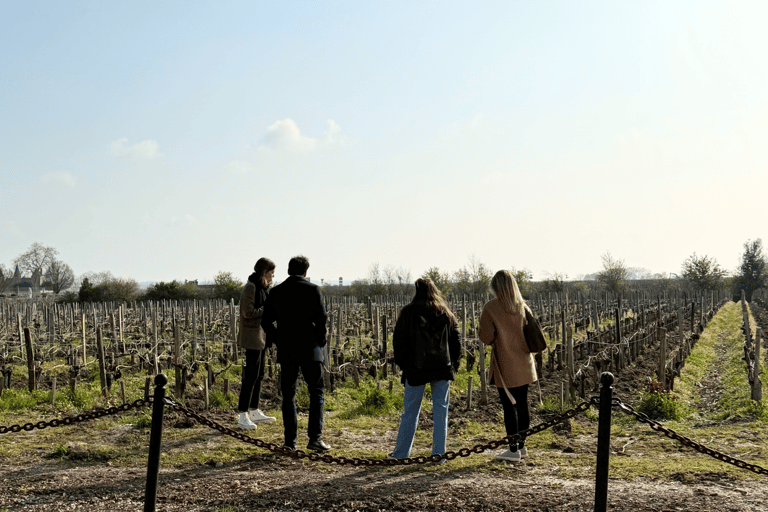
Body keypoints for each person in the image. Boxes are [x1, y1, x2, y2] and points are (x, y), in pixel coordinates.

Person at [262, 255, 330, 452]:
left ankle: (290, 441)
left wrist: (277, 338)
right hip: (310, 349)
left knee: (288, 394)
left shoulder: (276, 292)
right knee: (316, 392)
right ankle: (315, 438)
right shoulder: (313, 290)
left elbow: (266, 322)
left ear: (288, 270)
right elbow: (322, 319)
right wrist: (320, 340)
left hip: (287, 349)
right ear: (306, 271)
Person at [390, 278, 461, 462]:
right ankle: (439, 455)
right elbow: (456, 342)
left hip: (416, 369)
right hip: (442, 368)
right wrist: (454, 365)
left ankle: (401, 454)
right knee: (441, 412)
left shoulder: (408, 312)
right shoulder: (446, 313)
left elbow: (399, 341)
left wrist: (403, 365)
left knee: (410, 413)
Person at [479, 269, 540, 462]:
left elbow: (486, 337)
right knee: (522, 403)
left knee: (508, 406)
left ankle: (512, 449)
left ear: (495, 287)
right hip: (525, 362)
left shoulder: (491, 308)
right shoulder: (522, 306)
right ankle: (521, 446)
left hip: (505, 364)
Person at [235, 257, 278, 430]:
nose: (272, 277)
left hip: (261, 336)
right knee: (250, 376)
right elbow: (248, 312)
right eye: (271, 273)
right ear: (263, 272)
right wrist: (266, 310)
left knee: (259, 375)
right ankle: (242, 414)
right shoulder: (251, 287)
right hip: (252, 336)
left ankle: (254, 410)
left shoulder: (262, 288)